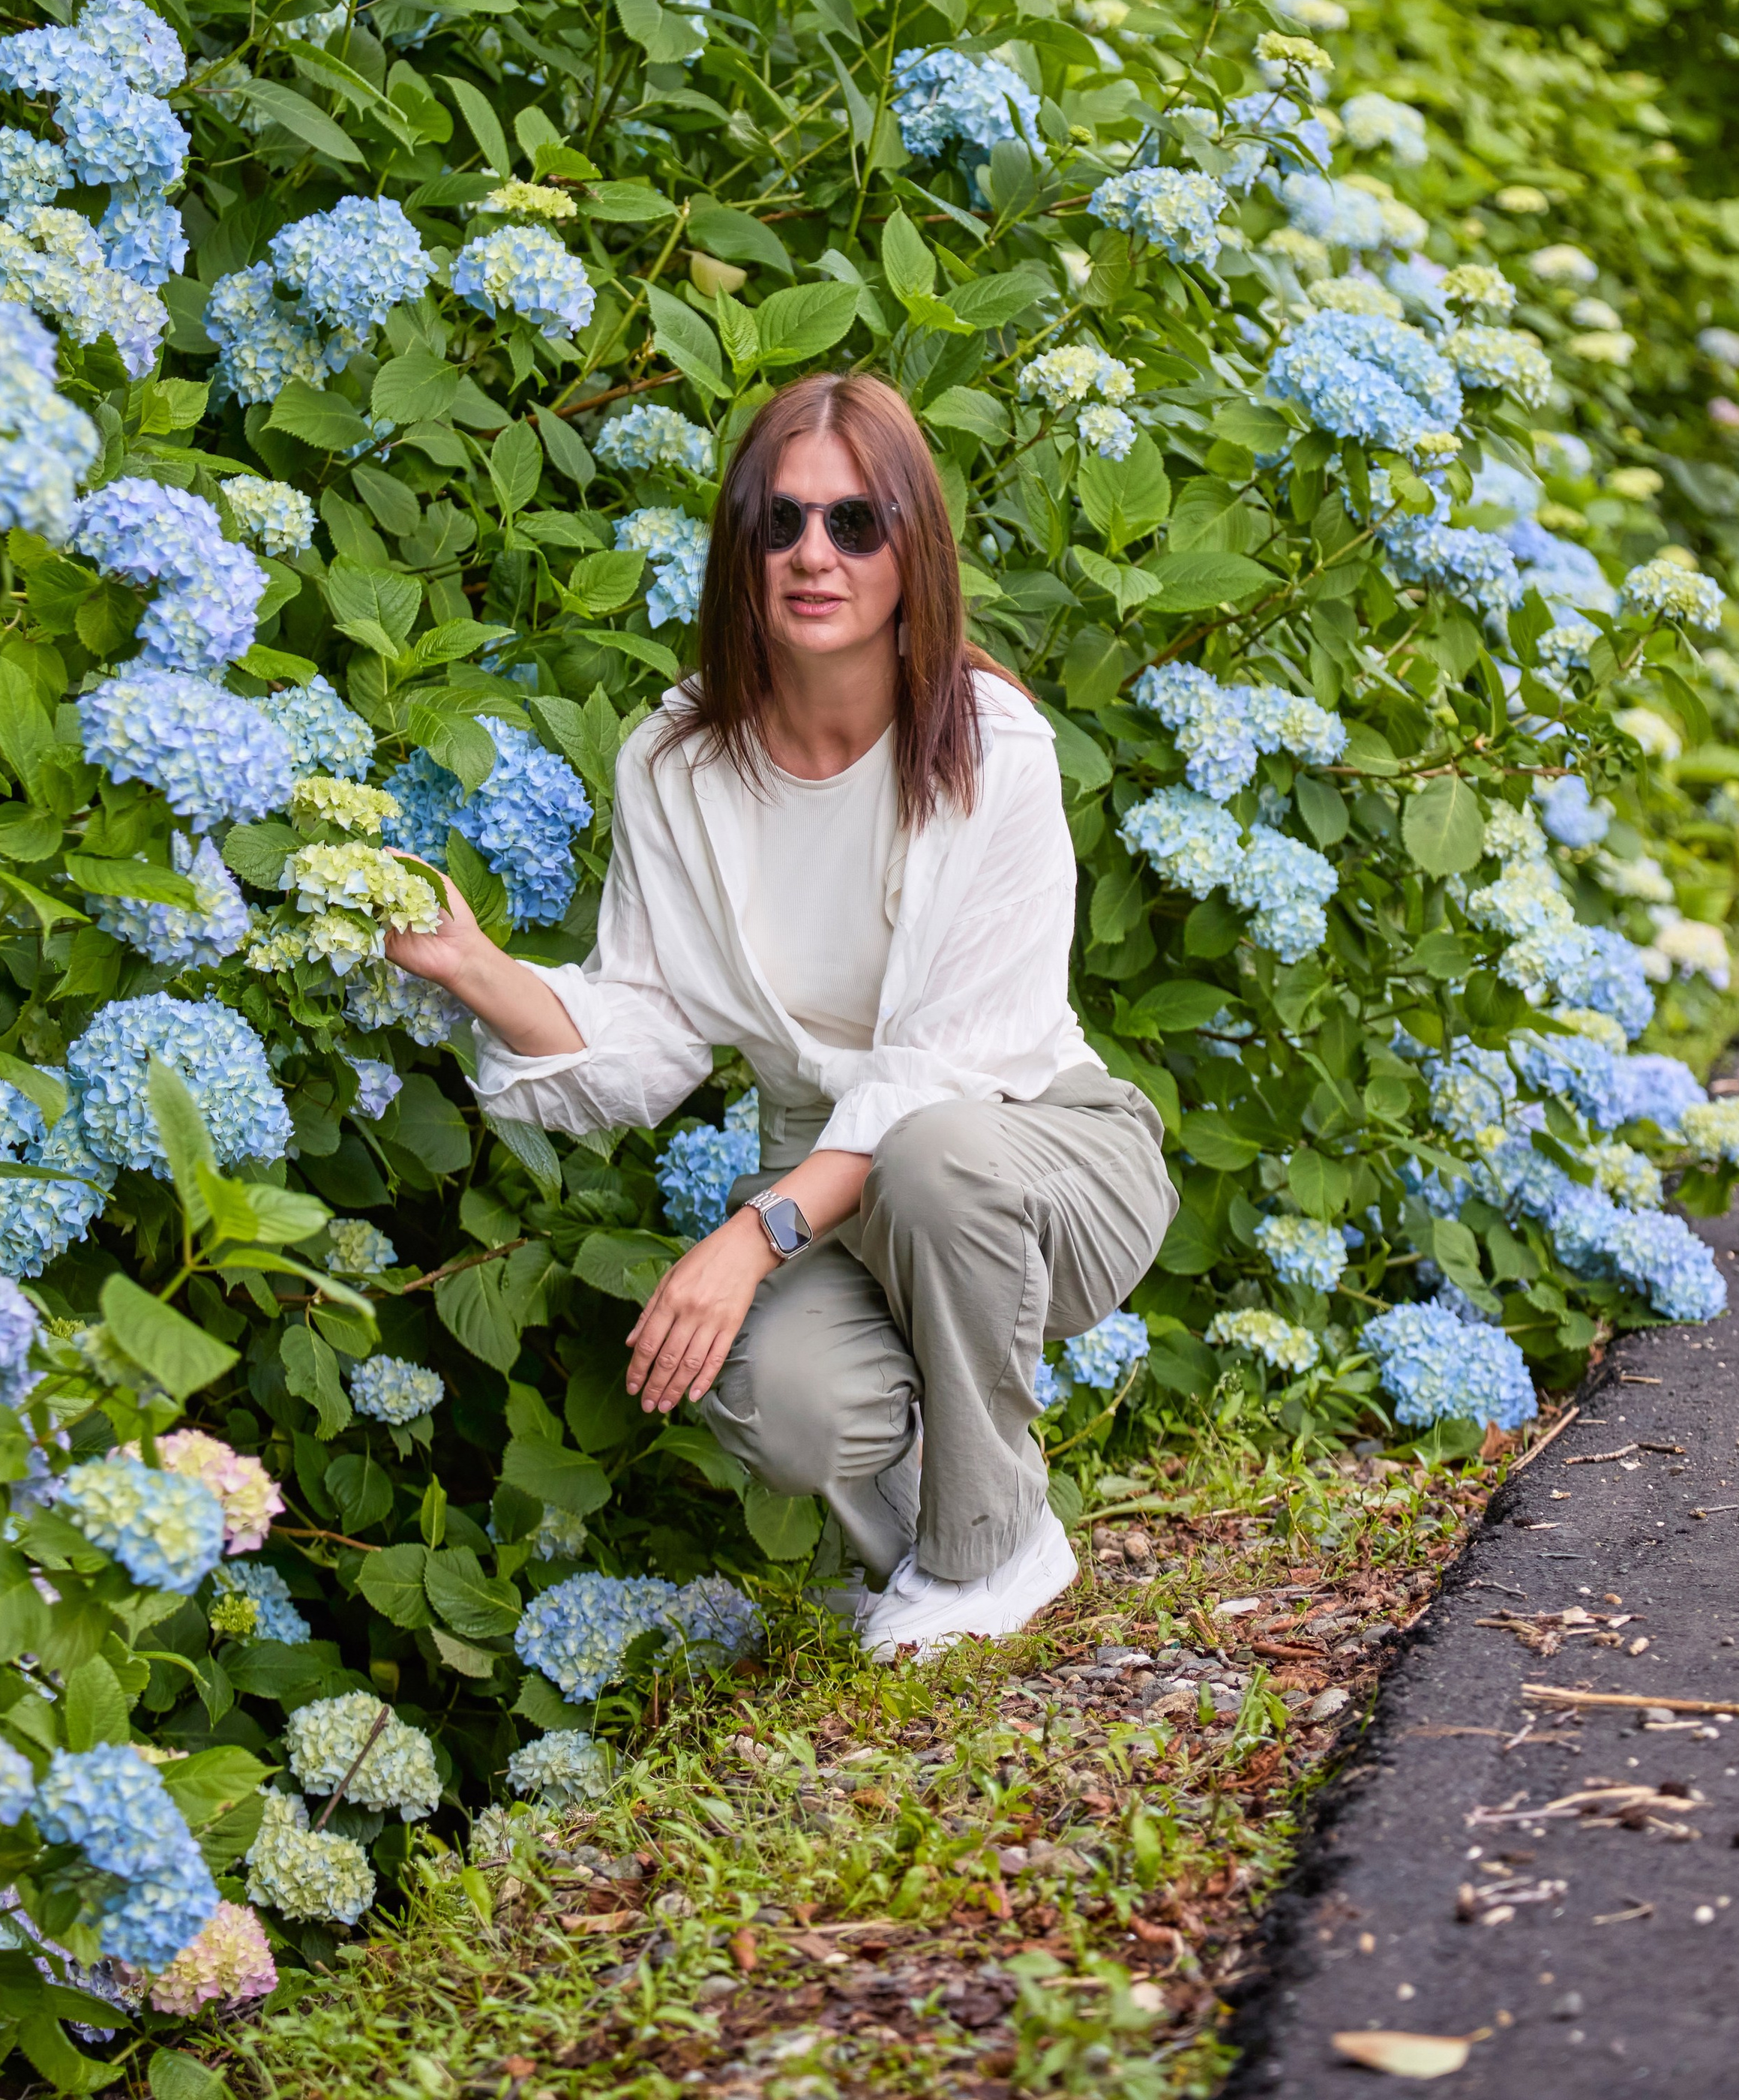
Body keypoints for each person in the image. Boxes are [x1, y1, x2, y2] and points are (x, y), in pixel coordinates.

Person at [386, 370, 1176, 1657]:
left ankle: (989, 1556)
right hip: (837, 1180)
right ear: (741, 546)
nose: (816, 555)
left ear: (912, 545)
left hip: (1039, 1151)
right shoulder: (678, 759)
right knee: (778, 1398)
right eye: (782, 522)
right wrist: (476, 967)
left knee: (931, 1154)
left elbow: (941, 1073)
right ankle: (947, 1544)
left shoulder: (996, 747)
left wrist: (755, 1230)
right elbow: (649, 1030)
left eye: (855, 523)